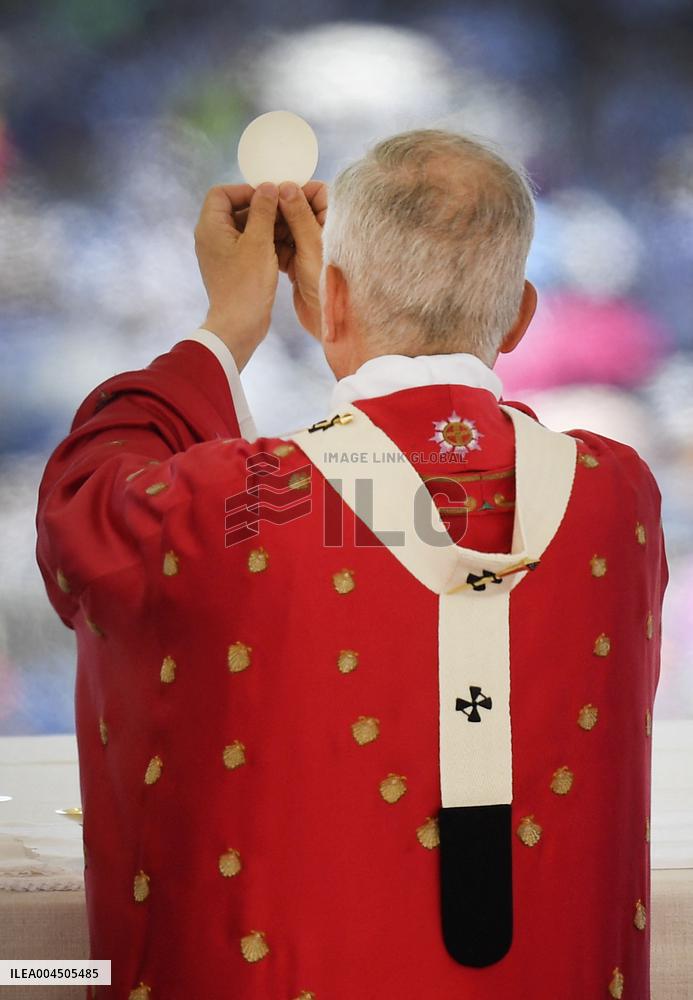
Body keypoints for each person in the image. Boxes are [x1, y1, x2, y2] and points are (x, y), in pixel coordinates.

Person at [35, 128, 668, 1000]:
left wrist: (226, 329)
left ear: (327, 299)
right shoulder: (614, 501)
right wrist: (352, 314)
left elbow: (86, 513)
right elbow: (437, 475)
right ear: (521, 316)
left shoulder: (245, 506)